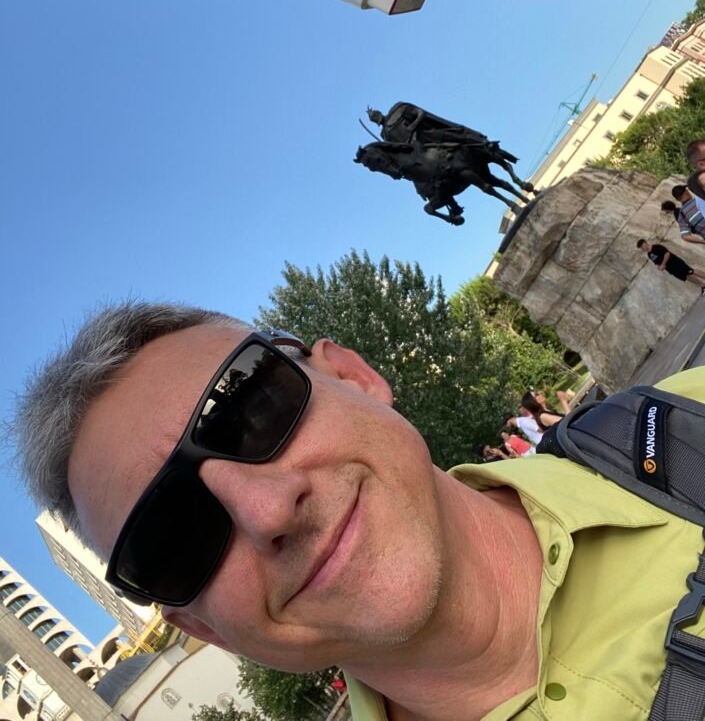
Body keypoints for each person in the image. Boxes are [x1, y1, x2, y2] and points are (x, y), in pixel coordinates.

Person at [12, 301, 705, 720]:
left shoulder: (691, 422)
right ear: (201, 626)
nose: (266, 509)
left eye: (248, 411)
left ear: (353, 375)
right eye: (175, 537)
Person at [637, 238, 705, 289]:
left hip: (676, 262)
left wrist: (663, 264)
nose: (642, 248)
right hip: (671, 269)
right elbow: (657, 263)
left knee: (691, 271)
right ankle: (702, 285)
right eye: (640, 248)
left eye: (641, 246)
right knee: (686, 277)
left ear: (645, 243)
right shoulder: (649, 255)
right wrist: (660, 267)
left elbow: (667, 254)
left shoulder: (656, 247)